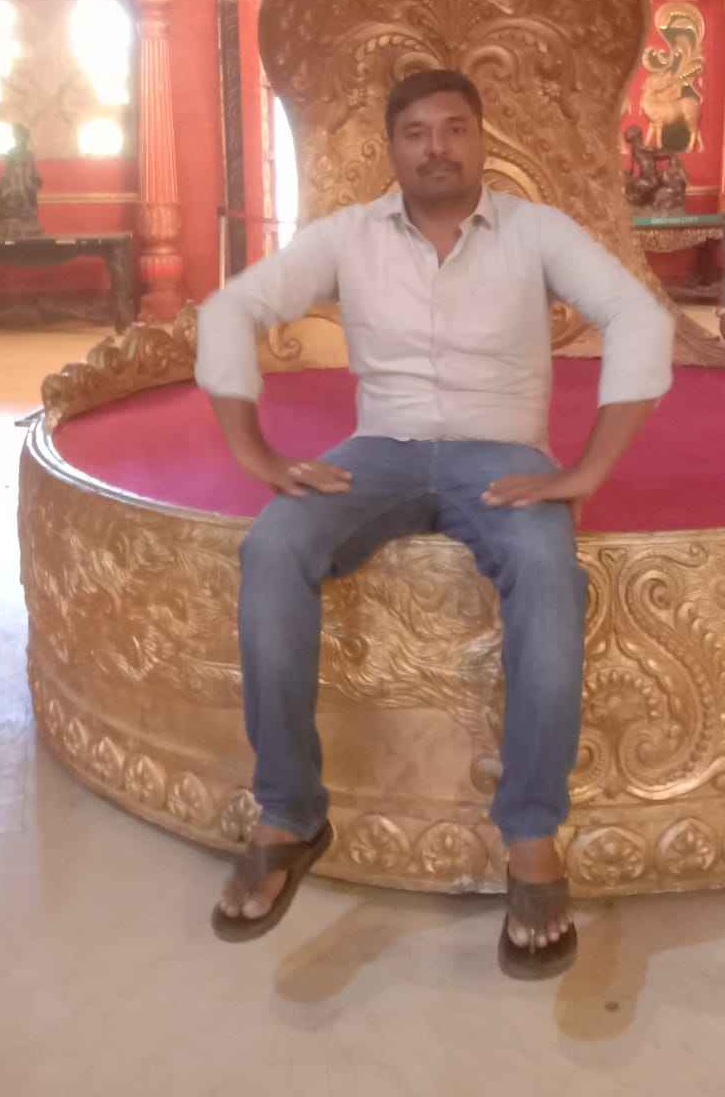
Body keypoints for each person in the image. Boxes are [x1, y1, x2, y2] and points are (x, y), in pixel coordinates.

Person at [195, 68, 674, 979]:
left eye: (455, 129)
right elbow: (232, 308)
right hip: (380, 449)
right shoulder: (348, 235)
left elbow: (636, 317)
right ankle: (290, 814)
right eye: (415, 133)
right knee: (274, 544)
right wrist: (253, 452)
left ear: (481, 139)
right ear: (392, 149)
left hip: (501, 456)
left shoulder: (535, 231)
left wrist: (588, 469)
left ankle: (531, 837)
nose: (436, 148)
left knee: (547, 565)